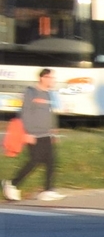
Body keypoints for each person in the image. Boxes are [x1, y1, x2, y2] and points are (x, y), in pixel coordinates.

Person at [6, 68, 64, 202]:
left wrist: (53, 130)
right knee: (34, 161)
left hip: (46, 134)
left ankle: (48, 190)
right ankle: (12, 184)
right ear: (42, 78)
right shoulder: (31, 92)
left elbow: (50, 113)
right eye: (50, 78)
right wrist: (27, 133)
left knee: (51, 161)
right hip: (34, 134)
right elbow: (24, 113)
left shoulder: (48, 94)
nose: (53, 80)